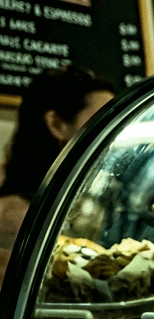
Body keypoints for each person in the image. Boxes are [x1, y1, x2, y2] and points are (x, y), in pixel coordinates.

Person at [0, 65, 115, 287]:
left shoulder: (96, 193)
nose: (111, 133)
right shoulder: (13, 213)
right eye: (100, 121)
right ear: (56, 124)